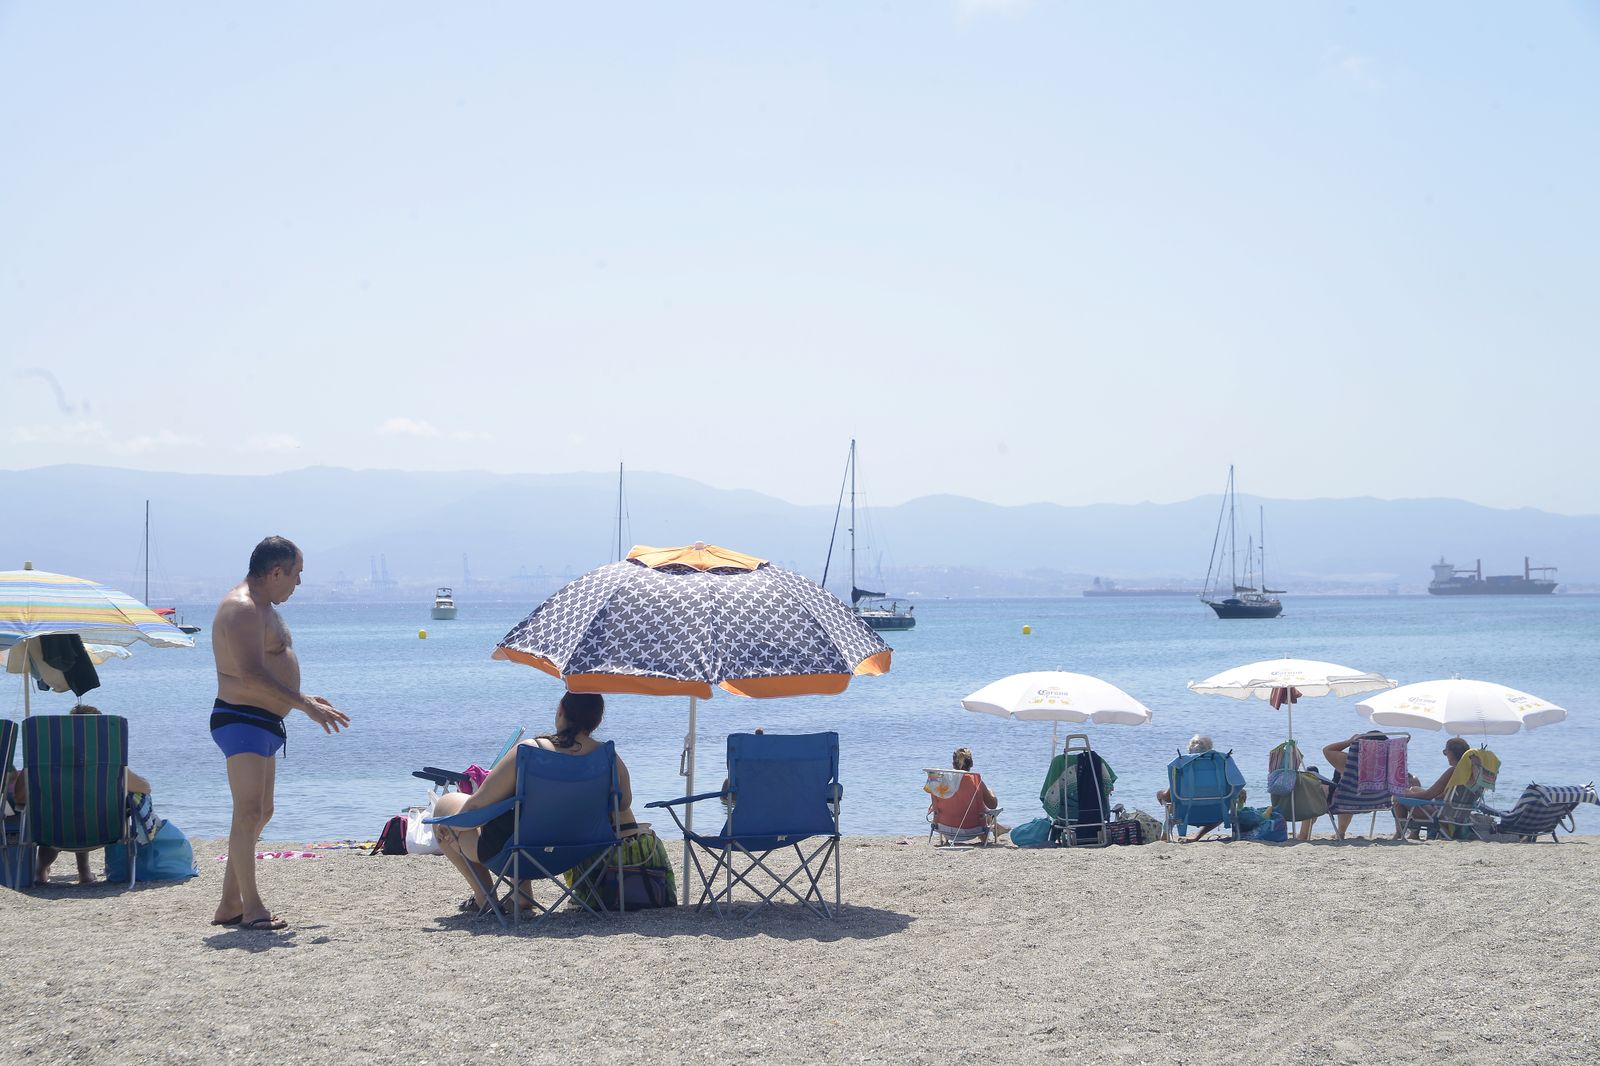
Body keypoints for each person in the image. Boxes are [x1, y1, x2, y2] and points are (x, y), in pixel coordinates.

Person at [210, 536, 349, 932]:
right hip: (241, 719)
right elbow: (250, 674)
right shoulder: (241, 609)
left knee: (262, 812)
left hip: (264, 722)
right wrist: (304, 706)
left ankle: (228, 904)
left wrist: (301, 696)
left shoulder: (263, 607)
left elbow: (270, 667)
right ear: (275, 572)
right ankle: (251, 909)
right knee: (248, 812)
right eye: (296, 574)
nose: (298, 583)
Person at [432, 692, 672, 913]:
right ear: (596, 721)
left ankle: (484, 897)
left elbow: (476, 806)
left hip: (515, 854)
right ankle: (520, 895)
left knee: (447, 805)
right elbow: (623, 803)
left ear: (560, 711)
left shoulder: (529, 752)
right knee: (521, 816)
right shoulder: (608, 758)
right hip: (577, 853)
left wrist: (454, 828)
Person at [32, 703, 154, 885]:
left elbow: (21, 796)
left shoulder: (49, 763)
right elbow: (145, 788)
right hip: (103, 828)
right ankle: (84, 872)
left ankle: (40, 871)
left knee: (62, 812)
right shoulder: (109, 763)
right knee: (85, 809)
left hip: (54, 830)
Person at [1156, 735, 1246, 842]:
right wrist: (1240, 791)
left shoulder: (1184, 766)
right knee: (1224, 803)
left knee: (1172, 800)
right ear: (1210, 749)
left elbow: (1169, 797)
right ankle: (1197, 836)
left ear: (1190, 752)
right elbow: (1232, 788)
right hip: (1216, 813)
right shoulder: (1221, 763)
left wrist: (1160, 795)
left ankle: (1166, 832)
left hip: (1186, 813)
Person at [1392, 737, 1471, 838]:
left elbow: (1428, 795)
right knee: (1414, 789)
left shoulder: (1453, 771)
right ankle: (1413, 834)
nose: (1446, 756)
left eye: (1445, 752)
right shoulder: (1469, 773)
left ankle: (1400, 833)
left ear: (1452, 753)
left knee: (1401, 797)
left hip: (1443, 817)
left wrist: (1403, 795)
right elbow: (1444, 795)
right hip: (1460, 816)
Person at [929, 747, 1006, 844]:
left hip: (943, 828)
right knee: (980, 807)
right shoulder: (975, 781)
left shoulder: (939, 779)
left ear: (953, 763)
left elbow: (936, 806)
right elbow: (993, 805)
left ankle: (997, 828)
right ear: (972, 763)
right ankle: (994, 831)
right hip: (973, 829)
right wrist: (991, 792)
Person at [1322, 730, 1390, 839]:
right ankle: (1341, 832)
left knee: (1314, 785)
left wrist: (1349, 741)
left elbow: (1327, 750)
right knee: (1346, 785)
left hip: (1349, 801)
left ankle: (1304, 833)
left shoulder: (1350, 762)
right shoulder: (1390, 764)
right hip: (1376, 801)